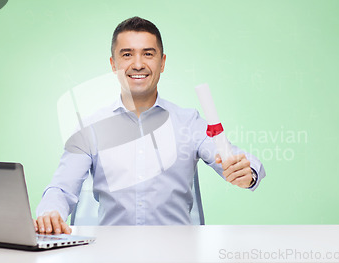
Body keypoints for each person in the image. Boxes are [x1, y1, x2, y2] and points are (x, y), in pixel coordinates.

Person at [34, 16, 266, 234]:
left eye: (148, 54)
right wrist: (50, 214)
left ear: (162, 62)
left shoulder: (189, 122)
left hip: (178, 254)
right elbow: (61, 189)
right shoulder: (90, 130)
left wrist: (247, 173)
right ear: (113, 64)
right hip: (110, 254)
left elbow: (232, 158)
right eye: (127, 54)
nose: (138, 64)